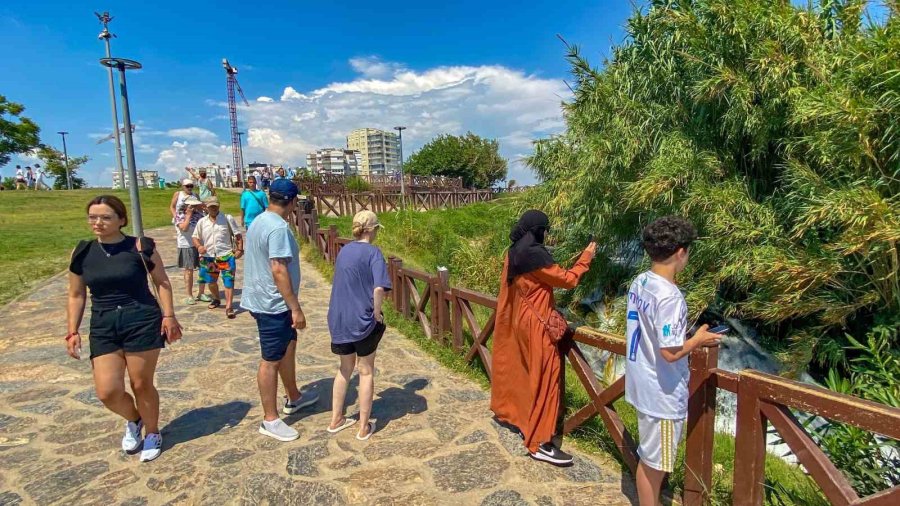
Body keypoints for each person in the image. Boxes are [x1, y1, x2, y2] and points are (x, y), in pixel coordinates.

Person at [66, 195, 183, 462]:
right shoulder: (82, 251)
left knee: (141, 383)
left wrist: (169, 316)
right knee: (107, 391)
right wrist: (72, 330)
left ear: (121, 220)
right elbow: (75, 294)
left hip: (140, 317)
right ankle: (135, 418)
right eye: (93, 217)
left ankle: (152, 432)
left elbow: (162, 282)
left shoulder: (140, 247)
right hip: (104, 322)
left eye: (106, 217)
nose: (98, 222)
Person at [625, 217, 722, 505]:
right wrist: (698, 340)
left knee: (648, 459)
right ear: (681, 252)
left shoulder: (640, 281)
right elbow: (670, 352)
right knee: (656, 466)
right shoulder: (670, 297)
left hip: (641, 382)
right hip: (662, 395)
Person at [490, 210, 596, 466]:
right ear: (538, 230)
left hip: (520, 321)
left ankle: (523, 419)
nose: (546, 233)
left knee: (528, 374)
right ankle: (540, 443)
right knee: (547, 379)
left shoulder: (514, 251)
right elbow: (568, 280)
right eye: (545, 229)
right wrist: (587, 256)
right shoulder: (535, 255)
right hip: (538, 326)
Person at [241, 178, 318, 441]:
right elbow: (278, 268)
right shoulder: (278, 229)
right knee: (271, 359)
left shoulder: (259, 221)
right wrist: (295, 307)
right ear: (293, 202)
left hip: (263, 298)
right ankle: (270, 419)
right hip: (273, 304)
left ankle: (294, 396)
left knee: (288, 347)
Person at [326, 210, 391, 440]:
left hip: (339, 318)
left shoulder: (344, 251)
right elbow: (379, 288)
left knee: (344, 369)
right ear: (372, 230)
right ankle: (363, 426)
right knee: (365, 371)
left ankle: (336, 419)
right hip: (362, 319)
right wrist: (376, 313)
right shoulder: (374, 253)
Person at [192, 196, 243, 318]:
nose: (213, 209)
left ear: (219, 206)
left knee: (228, 281)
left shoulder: (227, 218)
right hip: (209, 257)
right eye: (211, 207)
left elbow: (237, 235)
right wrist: (199, 246)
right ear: (206, 208)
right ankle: (216, 298)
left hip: (225, 256)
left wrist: (240, 249)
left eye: (215, 206)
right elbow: (195, 237)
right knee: (211, 282)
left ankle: (229, 307)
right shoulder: (202, 222)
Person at [171, 181, 208, 305]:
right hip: (186, 244)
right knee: (189, 270)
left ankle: (201, 292)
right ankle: (189, 294)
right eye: (191, 205)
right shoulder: (179, 215)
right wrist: (188, 215)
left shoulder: (199, 215)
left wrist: (203, 210)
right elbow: (184, 228)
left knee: (203, 268)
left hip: (198, 243)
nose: (193, 207)